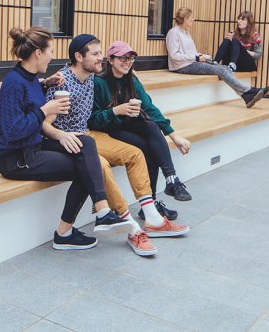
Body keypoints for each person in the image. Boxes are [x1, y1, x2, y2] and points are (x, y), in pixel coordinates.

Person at [44, 34, 189, 256]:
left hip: (88, 134)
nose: (100, 58)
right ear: (78, 56)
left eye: (101, 53)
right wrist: (61, 134)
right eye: (96, 54)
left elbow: (118, 82)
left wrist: (131, 73)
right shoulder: (61, 82)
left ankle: (152, 218)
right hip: (67, 139)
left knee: (135, 153)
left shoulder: (92, 78)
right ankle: (132, 229)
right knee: (100, 165)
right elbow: (43, 123)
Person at [0, 27, 130, 252]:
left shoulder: (28, 78)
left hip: (33, 146)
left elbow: (28, 96)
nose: (53, 56)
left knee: (86, 143)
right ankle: (65, 233)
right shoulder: (13, 83)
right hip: (17, 158)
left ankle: (103, 211)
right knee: (84, 167)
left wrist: (45, 84)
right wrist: (44, 110)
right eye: (50, 51)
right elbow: (12, 131)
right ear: (38, 53)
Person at [89, 40, 193, 222]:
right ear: (110, 59)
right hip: (108, 130)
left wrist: (174, 136)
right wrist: (117, 110)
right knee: (146, 149)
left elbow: (150, 108)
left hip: (127, 124)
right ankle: (150, 205)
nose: (127, 62)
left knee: (151, 126)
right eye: (123, 58)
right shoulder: (99, 82)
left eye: (130, 58)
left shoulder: (132, 80)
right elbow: (93, 120)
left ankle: (171, 179)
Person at [166, 7, 266, 108]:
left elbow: (192, 53)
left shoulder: (186, 33)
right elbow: (174, 56)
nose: (193, 19)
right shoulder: (173, 33)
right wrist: (196, 58)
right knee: (221, 70)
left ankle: (245, 95)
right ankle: (248, 91)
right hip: (183, 66)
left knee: (224, 68)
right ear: (185, 18)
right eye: (191, 17)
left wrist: (203, 56)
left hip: (191, 63)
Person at [213, 10, 269, 99]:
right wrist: (229, 40)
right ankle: (215, 63)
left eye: (243, 19)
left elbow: (258, 55)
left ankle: (232, 65)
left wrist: (241, 47)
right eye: (239, 19)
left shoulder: (255, 35)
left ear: (249, 22)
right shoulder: (234, 32)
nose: (239, 21)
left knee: (235, 41)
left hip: (247, 64)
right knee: (228, 39)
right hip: (234, 62)